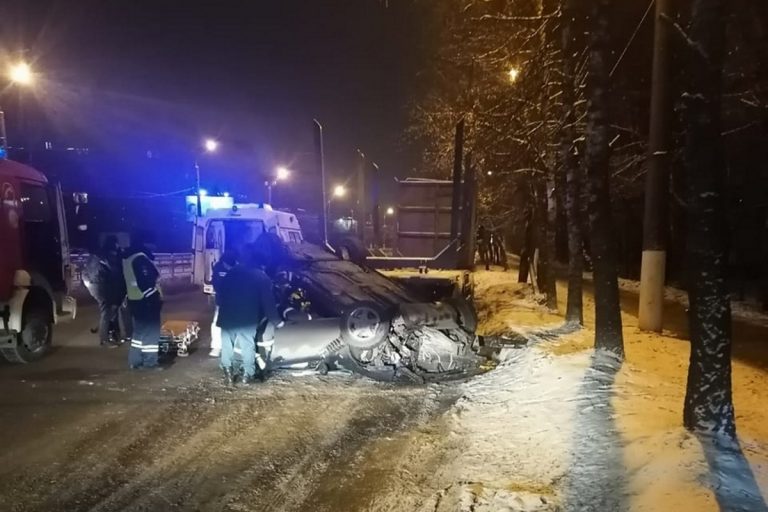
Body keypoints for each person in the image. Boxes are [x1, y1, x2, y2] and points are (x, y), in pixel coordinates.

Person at [216, 247, 283, 385]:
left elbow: (220, 293)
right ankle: (248, 375)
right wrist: (277, 321)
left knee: (227, 344)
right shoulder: (261, 276)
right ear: (260, 263)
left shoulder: (232, 272)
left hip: (227, 315)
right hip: (247, 318)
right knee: (247, 345)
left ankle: (228, 373)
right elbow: (268, 302)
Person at [123, 233, 163, 370]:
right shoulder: (140, 259)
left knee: (139, 332)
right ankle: (150, 363)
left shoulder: (128, 258)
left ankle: (135, 360)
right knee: (151, 332)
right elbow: (145, 282)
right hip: (146, 301)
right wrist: (154, 298)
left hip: (134, 300)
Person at [83, 236, 124, 347]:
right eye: (117, 243)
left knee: (109, 309)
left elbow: (85, 271)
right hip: (101, 285)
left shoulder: (97, 253)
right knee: (107, 311)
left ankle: (113, 334)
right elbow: (114, 272)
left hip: (93, 284)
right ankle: (104, 339)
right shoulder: (109, 255)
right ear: (114, 244)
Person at [208, 252, 237, 358]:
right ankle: (216, 347)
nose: (228, 267)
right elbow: (216, 283)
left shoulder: (238, 267)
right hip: (222, 301)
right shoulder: (218, 267)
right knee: (217, 323)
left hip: (236, 301)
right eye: (227, 265)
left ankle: (234, 346)